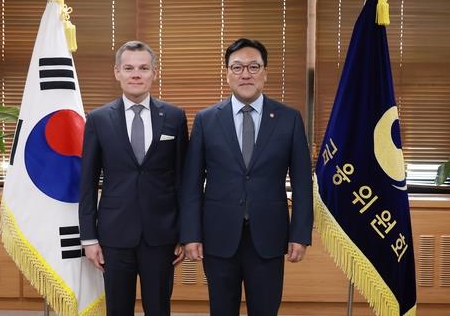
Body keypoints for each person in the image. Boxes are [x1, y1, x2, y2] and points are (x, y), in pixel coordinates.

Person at [180, 38, 313, 316]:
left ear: (265, 72)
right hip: (218, 237)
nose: (245, 74)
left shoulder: (289, 119)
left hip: (269, 236)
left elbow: (302, 183)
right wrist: (190, 234)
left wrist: (300, 234)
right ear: (227, 73)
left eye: (254, 67)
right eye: (237, 67)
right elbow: (191, 184)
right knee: (221, 310)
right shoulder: (207, 120)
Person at [79, 41, 188, 316]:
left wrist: (186, 234)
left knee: (159, 308)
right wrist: (89, 238)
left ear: (154, 72)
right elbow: (88, 183)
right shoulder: (99, 119)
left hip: (162, 235)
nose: (136, 74)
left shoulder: (174, 117)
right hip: (114, 235)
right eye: (128, 68)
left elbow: (183, 181)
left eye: (143, 68)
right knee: (117, 309)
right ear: (117, 72)